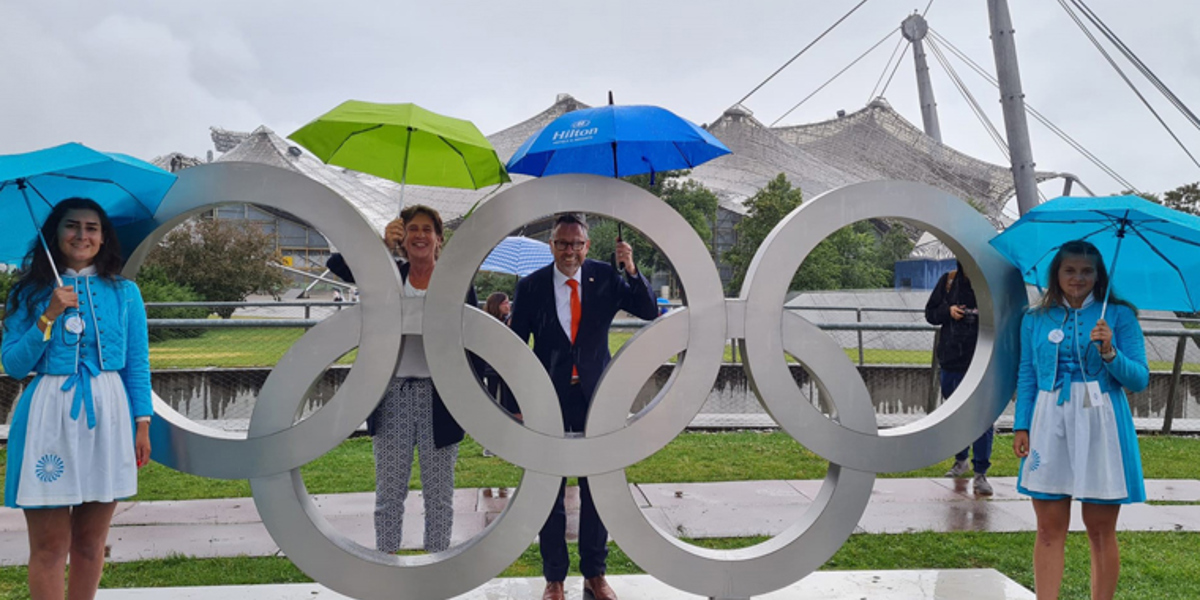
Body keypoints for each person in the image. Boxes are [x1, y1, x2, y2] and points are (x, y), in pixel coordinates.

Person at [2, 198, 153, 600]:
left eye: (91, 227)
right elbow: (14, 365)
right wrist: (48, 315)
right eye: (72, 226)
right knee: (50, 546)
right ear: (55, 233)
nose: (82, 235)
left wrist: (142, 422)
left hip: (109, 416)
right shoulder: (28, 294)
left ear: (104, 238)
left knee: (90, 543)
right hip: (48, 416)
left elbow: (136, 363)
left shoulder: (126, 293)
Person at [509, 214, 659, 600]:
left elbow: (648, 309)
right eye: (562, 243)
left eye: (577, 243)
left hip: (597, 397)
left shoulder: (607, 277)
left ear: (587, 246)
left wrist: (631, 267)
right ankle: (554, 579)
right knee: (549, 489)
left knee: (598, 488)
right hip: (548, 399)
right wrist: (516, 403)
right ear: (552, 245)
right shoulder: (531, 286)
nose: (570, 250)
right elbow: (512, 347)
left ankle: (595, 574)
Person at [327, 207, 477, 554]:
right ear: (403, 237)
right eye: (412, 229)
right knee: (389, 493)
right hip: (393, 392)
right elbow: (337, 264)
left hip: (440, 398)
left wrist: (470, 399)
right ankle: (386, 568)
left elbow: (474, 344)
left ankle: (433, 572)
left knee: (439, 495)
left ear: (440, 239)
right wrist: (380, 247)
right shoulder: (390, 274)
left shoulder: (454, 283)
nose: (420, 235)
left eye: (428, 229)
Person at [1012, 240, 1148, 600]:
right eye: (1070, 270)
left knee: (1101, 529)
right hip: (1047, 422)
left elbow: (1138, 379)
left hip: (1101, 422)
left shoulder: (1120, 316)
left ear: (1098, 274)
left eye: (1087, 271)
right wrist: (1021, 424)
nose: (1078, 278)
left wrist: (1110, 352)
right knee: (1047, 528)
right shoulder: (1034, 318)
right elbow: (1027, 373)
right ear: (1056, 273)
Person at [924, 261, 993, 495]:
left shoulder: (992, 284)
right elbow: (930, 314)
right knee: (956, 414)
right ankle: (960, 460)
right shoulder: (949, 281)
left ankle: (981, 472)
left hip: (982, 362)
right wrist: (949, 311)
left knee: (983, 418)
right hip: (952, 359)